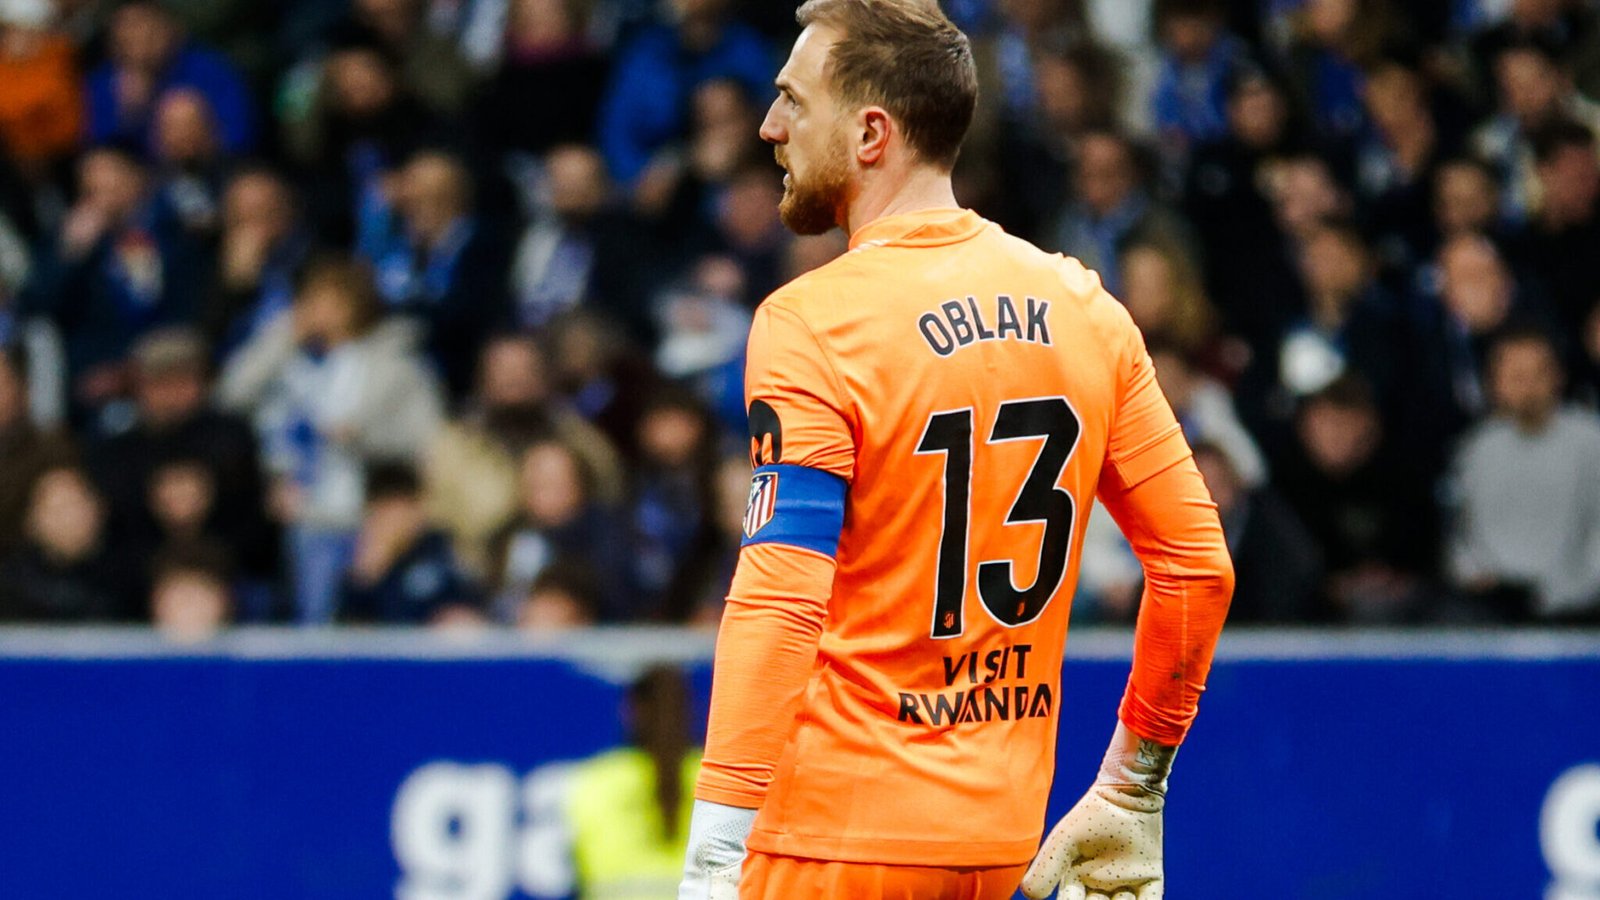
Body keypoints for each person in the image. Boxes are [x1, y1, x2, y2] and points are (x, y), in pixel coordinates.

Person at [679, 3, 1234, 899]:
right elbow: (1198, 567)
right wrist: (1133, 789)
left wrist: (714, 850)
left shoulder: (814, 322)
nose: (770, 127)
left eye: (793, 101)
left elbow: (781, 595)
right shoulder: (1087, 310)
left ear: (871, 133)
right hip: (1002, 842)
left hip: (831, 843)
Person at [1447, 326, 1600, 623]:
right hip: (1490, 606)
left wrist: (1575, 590)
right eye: (1516, 376)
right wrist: (1473, 573)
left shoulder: (1591, 441)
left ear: (1558, 376)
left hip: (1579, 609)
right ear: (1495, 382)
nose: (1528, 387)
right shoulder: (1477, 446)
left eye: (1537, 374)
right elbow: (1460, 531)